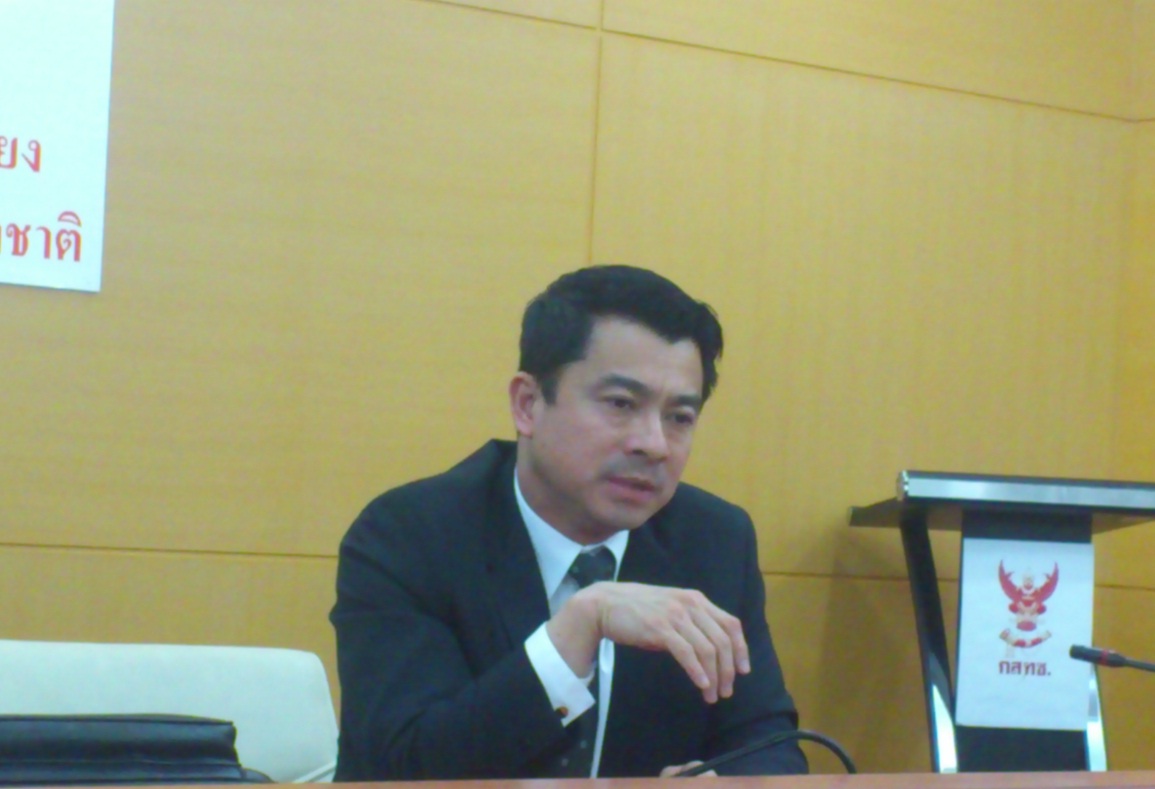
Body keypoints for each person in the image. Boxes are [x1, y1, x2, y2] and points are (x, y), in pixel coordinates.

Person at [331, 265, 807, 779]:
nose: (654, 444)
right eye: (621, 404)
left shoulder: (714, 541)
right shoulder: (410, 536)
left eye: (679, 418)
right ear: (528, 405)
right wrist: (581, 625)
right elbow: (403, 767)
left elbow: (770, 744)